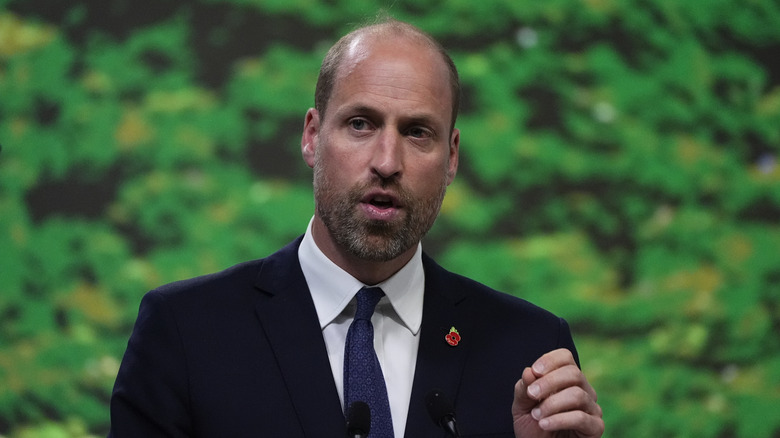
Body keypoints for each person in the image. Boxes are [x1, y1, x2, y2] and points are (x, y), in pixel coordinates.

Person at [109, 18, 604, 438]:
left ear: (452, 157)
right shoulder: (185, 332)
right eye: (361, 124)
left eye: (417, 132)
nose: (387, 162)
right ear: (312, 136)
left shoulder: (529, 351)